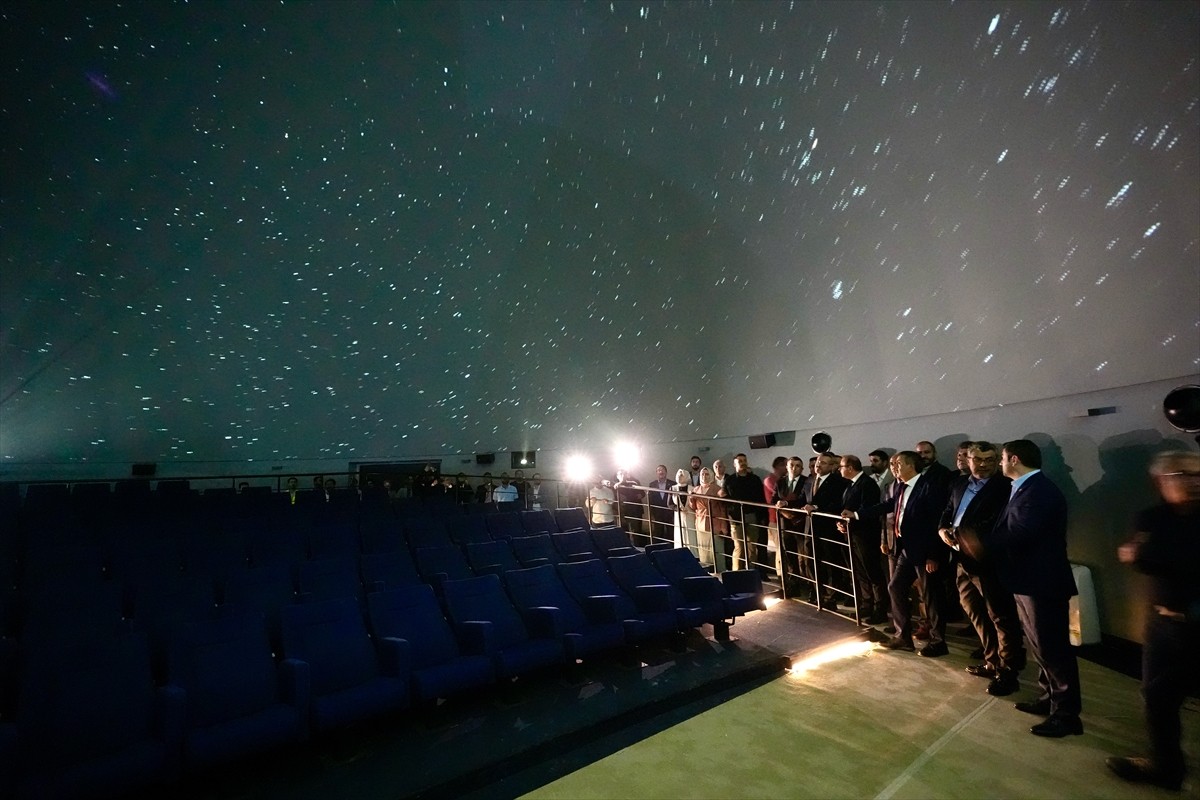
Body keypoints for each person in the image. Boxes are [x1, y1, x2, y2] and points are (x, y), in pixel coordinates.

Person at [1105, 450, 1200, 790]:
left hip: (1196, 625)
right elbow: (1141, 558)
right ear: (1161, 481)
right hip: (1160, 625)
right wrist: (1144, 555)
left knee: (1164, 694)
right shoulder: (1152, 516)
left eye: (1196, 474)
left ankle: (1166, 767)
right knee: (1155, 696)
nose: (1192, 482)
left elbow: (1143, 556)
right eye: (1181, 475)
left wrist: (1145, 554)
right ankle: (1166, 767)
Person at [982, 439, 1082, 738]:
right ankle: (1049, 698)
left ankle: (1066, 715)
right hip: (1028, 580)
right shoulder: (1025, 488)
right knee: (1040, 646)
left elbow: (1021, 533)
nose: (1000, 464)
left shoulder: (1038, 490)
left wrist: (978, 543)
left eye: (1001, 459)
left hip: (1042, 582)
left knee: (1054, 649)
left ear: (1013, 459)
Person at [937, 441, 1024, 696]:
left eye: (989, 460)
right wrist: (943, 529)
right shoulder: (958, 483)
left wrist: (959, 533)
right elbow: (948, 511)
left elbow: (996, 523)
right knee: (973, 611)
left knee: (1001, 616)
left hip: (990, 561)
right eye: (978, 460)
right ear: (968, 459)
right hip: (962, 561)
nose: (984, 465)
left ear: (997, 460)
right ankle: (992, 660)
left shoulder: (1005, 487)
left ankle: (1010, 672)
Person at [847, 451, 952, 655]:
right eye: (893, 463)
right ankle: (903, 636)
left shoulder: (929, 487)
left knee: (931, 597)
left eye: (897, 463)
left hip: (925, 551)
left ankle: (939, 641)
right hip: (906, 549)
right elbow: (887, 506)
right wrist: (857, 514)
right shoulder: (901, 487)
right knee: (895, 587)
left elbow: (936, 522)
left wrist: (933, 555)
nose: (893, 467)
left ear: (911, 466)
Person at [836, 455, 884, 623]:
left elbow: (868, 510)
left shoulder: (867, 484)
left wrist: (852, 519)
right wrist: (842, 523)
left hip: (866, 535)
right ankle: (866, 604)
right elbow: (845, 508)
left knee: (872, 571)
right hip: (853, 533)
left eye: (841, 466)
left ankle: (880, 608)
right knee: (860, 571)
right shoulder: (850, 485)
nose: (839, 469)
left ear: (850, 468)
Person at [803, 452, 851, 608]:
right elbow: (803, 499)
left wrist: (817, 507)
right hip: (809, 528)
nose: (818, 465)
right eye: (818, 462)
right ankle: (818, 592)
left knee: (831, 564)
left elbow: (838, 504)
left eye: (823, 463)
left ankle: (831, 597)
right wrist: (784, 503)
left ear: (832, 466)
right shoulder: (810, 480)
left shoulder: (839, 482)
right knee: (810, 561)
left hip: (828, 529)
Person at [774, 456, 812, 598]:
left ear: (801, 468)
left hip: (801, 523)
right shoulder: (780, 482)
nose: (794, 468)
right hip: (785, 523)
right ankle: (794, 584)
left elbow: (805, 499)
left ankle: (809, 586)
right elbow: (774, 499)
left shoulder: (806, 481)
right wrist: (784, 512)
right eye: (791, 465)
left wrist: (794, 512)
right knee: (789, 555)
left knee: (805, 556)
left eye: (797, 466)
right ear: (787, 467)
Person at [726, 454, 765, 572]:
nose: (743, 463)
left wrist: (762, 517)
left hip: (752, 515)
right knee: (739, 547)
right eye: (740, 461)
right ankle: (737, 573)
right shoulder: (730, 480)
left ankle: (752, 572)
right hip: (736, 517)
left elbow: (760, 498)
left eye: (744, 460)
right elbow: (726, 498)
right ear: (734, 464)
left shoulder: (755, 479)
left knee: (752, 546)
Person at [689, 467, 725, 568]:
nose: (704, 476)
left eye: (707, 474)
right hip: (700, 521)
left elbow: (722, 508)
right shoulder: (696, 489)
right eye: (702, 474)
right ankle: (707, 570)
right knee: (703, 550)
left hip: (715, 522)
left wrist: (723, 525)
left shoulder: (717, 488)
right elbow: (693, 507)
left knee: (716, 548)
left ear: (711, 475)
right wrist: (691, 499)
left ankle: (720, 570)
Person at [762, 456, 788, 578]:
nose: (787, 467)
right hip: (774, 518)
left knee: (785, 547)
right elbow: (781, 495)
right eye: (785, 465)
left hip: (786, 519)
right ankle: (781, 574)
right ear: (777, 466)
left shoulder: (785, 480)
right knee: (780, 548)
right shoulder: (770, 479)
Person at [647, 465, 676, 545]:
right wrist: (651, 512)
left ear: (666, 472)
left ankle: (672, 550)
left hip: (669, 513)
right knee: (658, 533)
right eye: (659, 470)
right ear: (656, 473)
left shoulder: (673, 484)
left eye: (662, 470)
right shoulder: (652, 484)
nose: (661, 472)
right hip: (657, 512)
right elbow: (651, 500)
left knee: (671, 533)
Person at [614, 469, 646, 537]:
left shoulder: (633, 483)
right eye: (620, 474)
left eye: (624, 474)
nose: (623, 475)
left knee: (636, 532)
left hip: (634, 511)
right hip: (622, 512)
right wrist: (620, 483)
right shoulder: (615, 485)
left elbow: (642, 493)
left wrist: (639, 495)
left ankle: (637, 546)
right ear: (617, 476)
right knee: (624, 532)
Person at [672, 468, 695, 551]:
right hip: (678, 515)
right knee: (680, 532)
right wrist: (678, 509)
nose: (679, 477)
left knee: (691, 533)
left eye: (681, 475)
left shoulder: (692, 488)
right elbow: (669, 504)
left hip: (690, 514)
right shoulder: (673, 488)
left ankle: (693, 552)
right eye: (678, 475)